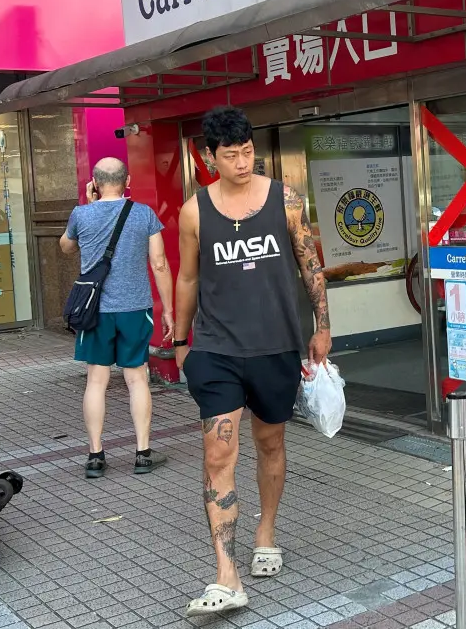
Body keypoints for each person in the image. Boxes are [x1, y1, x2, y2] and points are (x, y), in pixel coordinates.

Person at [173, 106, 331, 617]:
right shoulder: (194, 211)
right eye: (231, 155)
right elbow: (189, 278)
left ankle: (266, 533)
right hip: (217, 348)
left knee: (270, 441)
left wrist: (323, 325)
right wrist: (180, 338)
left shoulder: (285, 199)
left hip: (276, 345)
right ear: (208, 157)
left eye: (247, 152)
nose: (242, 162)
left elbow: (310, 262)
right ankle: (226, 574)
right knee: (218, 456)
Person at [60, 157, 173, 478]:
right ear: (128, 181)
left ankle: (95, 456)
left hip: (95, 312)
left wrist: (87, 204)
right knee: (136, 378)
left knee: (96, 380)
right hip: (135, 308)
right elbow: (160, 263)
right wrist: (169, 310)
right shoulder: (143, 214)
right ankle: (142, 453)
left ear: (94, 183)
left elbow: (65, 247)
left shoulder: (81, 214)